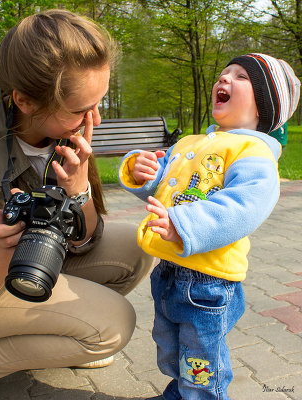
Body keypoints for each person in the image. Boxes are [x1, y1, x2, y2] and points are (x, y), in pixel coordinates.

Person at [0, 9, 155, 400]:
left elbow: (87, 239)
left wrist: (79, 188)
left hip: (22, 259)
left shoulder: (66, 135)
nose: (97, 120)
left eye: (99, 102)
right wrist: (3, 247)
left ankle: (53, 332)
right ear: (24, 100)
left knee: (137, 247)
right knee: (113, 325)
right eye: (81, 109)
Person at [118, 53, 300, 400]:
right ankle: (180, 393)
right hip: (171, 269)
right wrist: (141, 172)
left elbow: (243, 207)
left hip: (207, 281)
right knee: (171, 348)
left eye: (240, 77)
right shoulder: (190, 143)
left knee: (201, 361)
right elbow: (168, 185)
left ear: (264, 105)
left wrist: (182, 223)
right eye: (222, 73)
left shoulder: (254, 152)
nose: (224, 79)